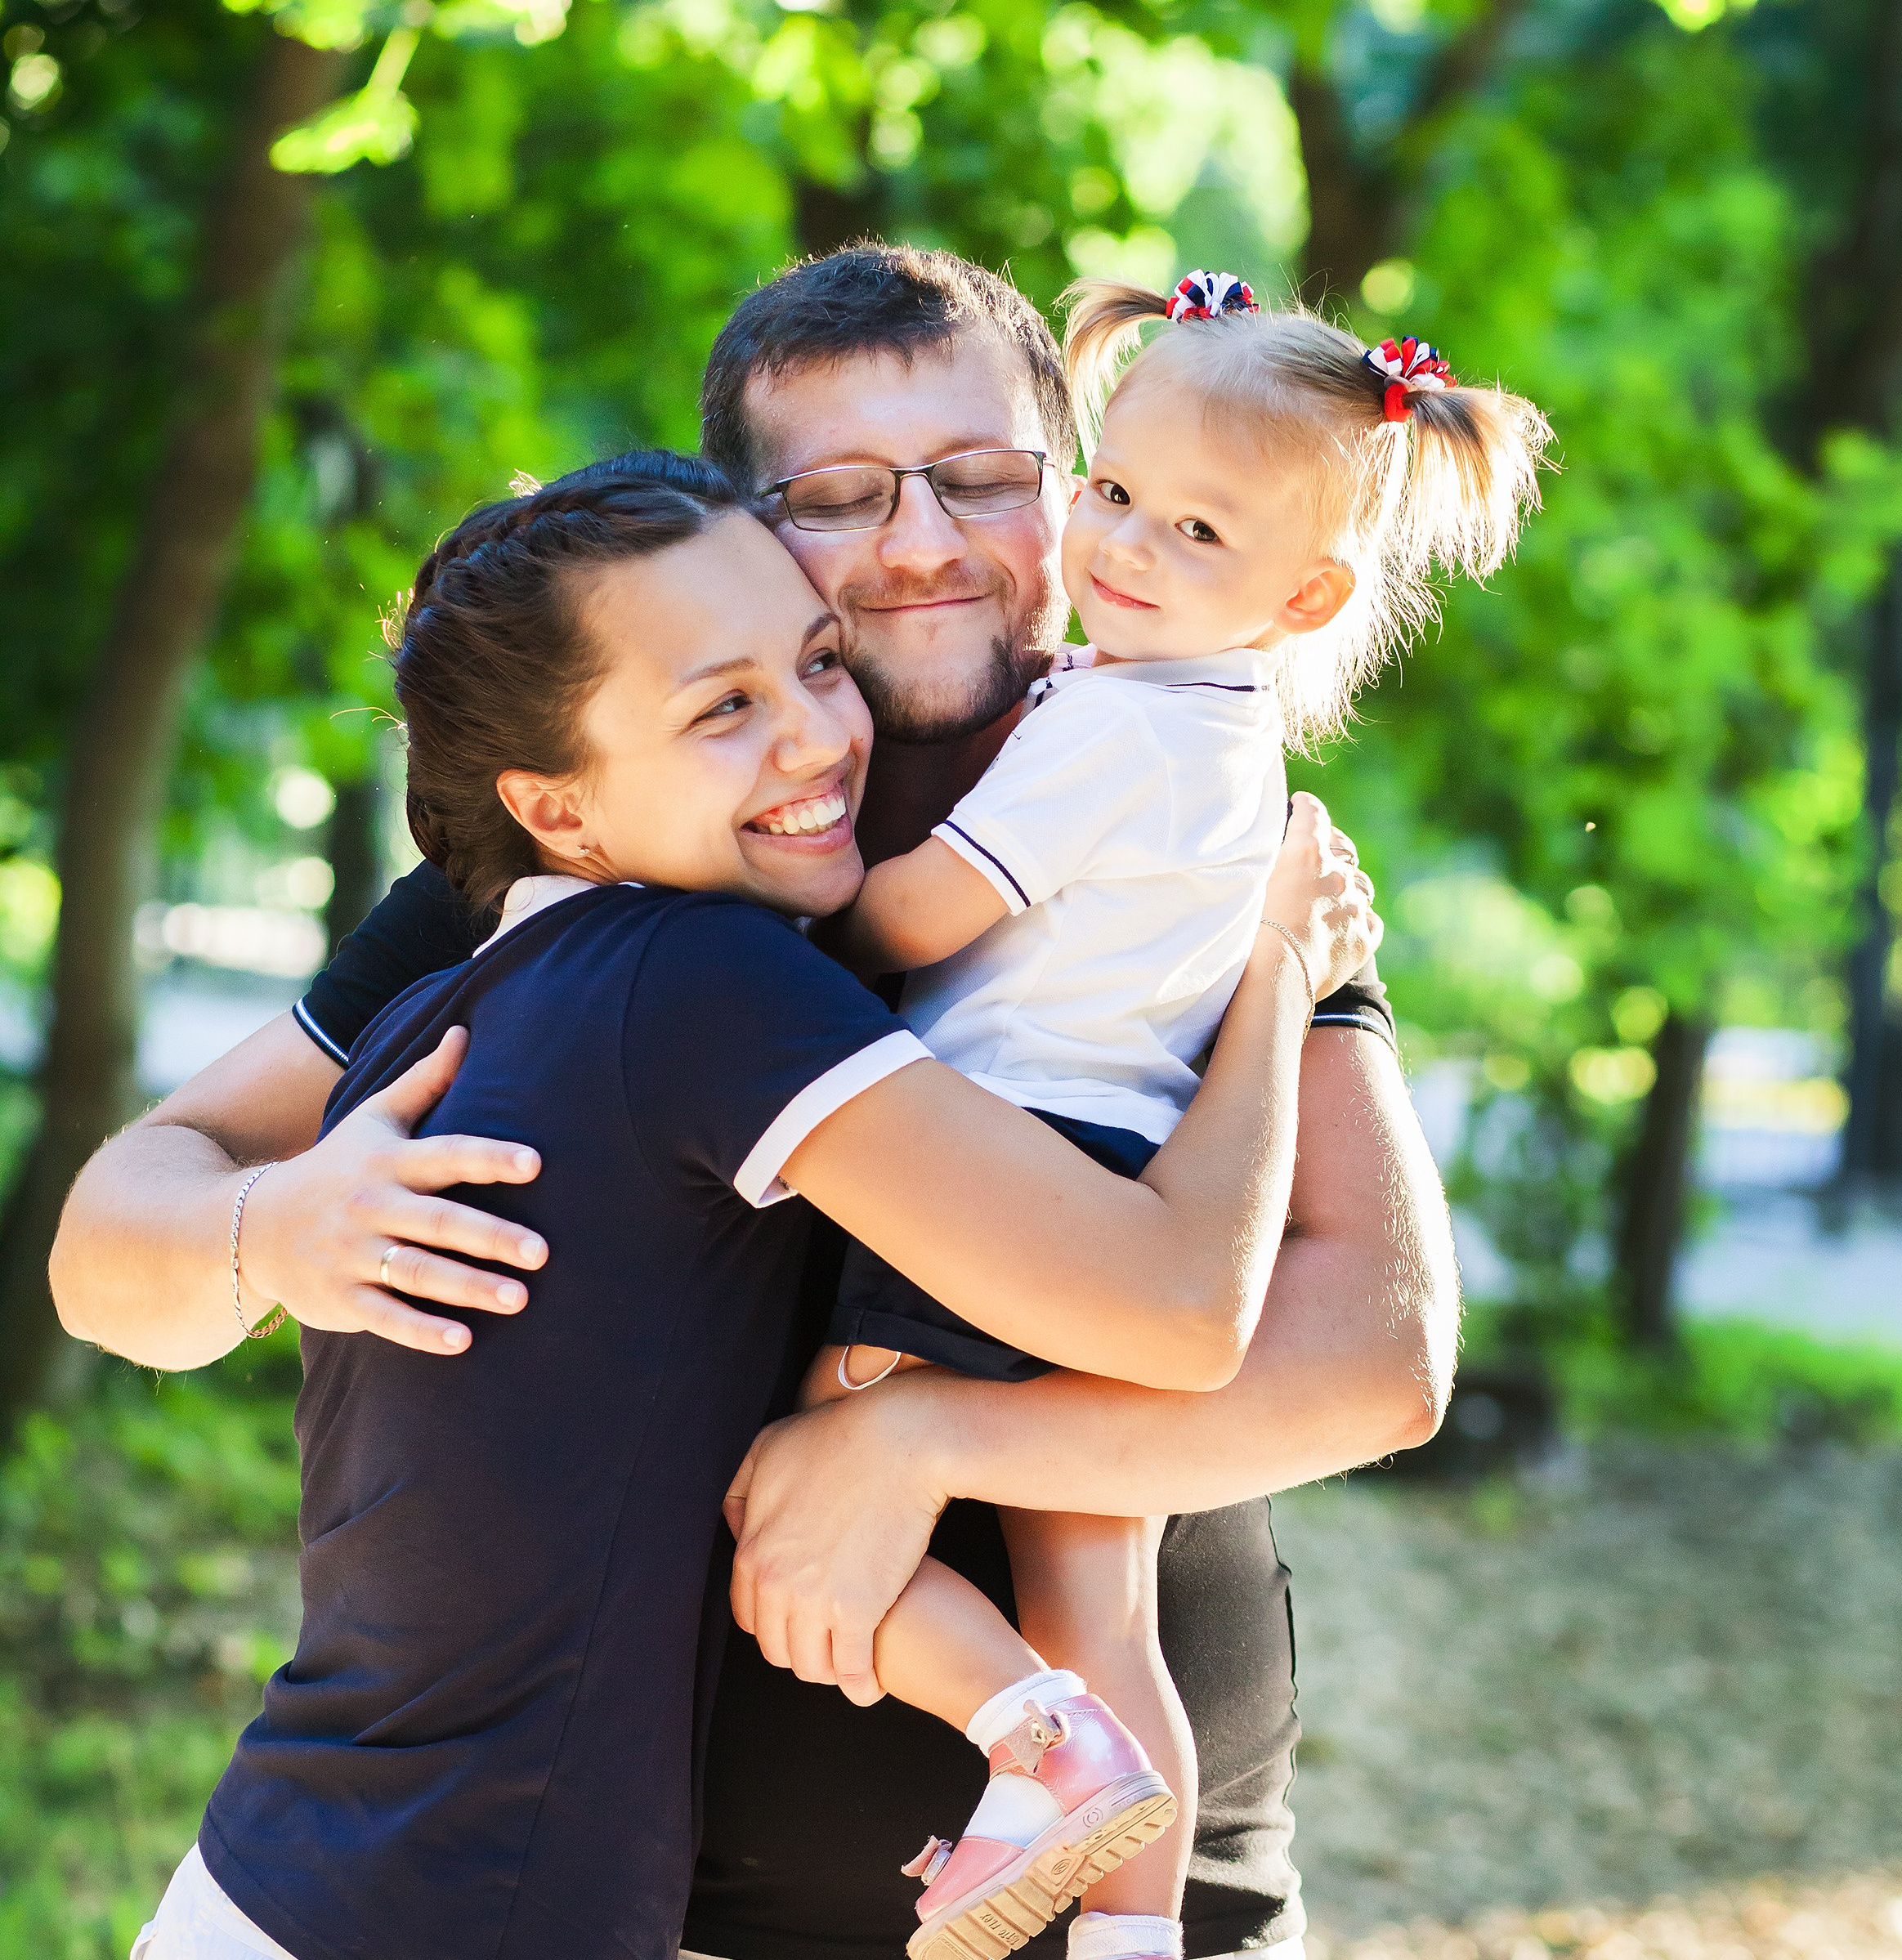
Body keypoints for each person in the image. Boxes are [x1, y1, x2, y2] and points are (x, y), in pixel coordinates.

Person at [53, 244, 1461, 1960]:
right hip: (685, 1904)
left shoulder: (1200, 823)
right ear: (744, 526)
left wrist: (922, 1434)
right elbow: (120, 1229)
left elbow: (1377, 1358)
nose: (925, 542)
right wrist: (272, 1224)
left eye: (980, 478)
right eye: (842, 495)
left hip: (1164, 1892)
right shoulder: (604, 841)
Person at [799, 271, 1548, 1960]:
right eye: (1114, 492)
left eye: (1190, 532)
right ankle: (1130, 1930)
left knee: (807, 1460)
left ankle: (1029, 1740)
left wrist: (772, 943)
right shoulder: (1224, 744)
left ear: (1302, 588)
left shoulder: (1112, 733)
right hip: (1131, 1165)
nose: (1123, 547)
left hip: (1013, 1160)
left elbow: (922, 917)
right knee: (1094, 1580)